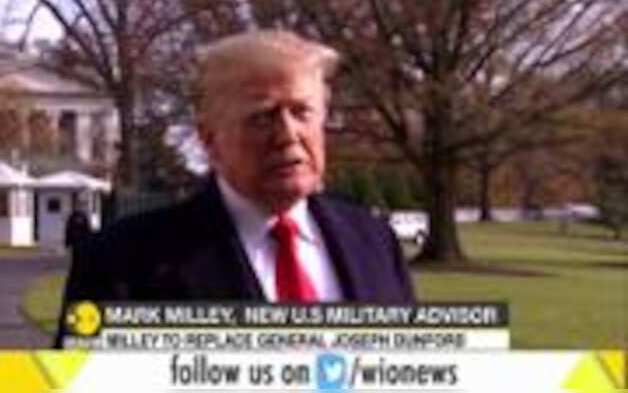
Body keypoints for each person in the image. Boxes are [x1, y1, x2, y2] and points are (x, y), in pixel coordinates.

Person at [54, 30, 415, 347]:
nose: (288, 135)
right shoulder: (122, 262)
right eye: (263, 117)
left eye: (302, 112)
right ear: (209, 138)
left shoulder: (374, 242)